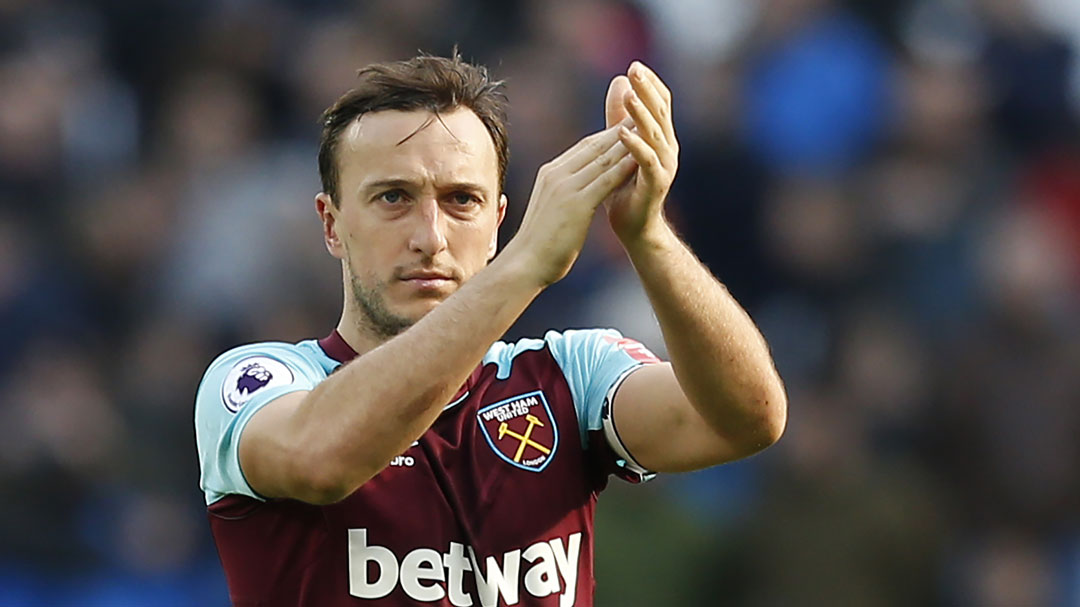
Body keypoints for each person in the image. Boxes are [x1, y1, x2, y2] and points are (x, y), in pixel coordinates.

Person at [194, 53, 786, 607]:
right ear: (331, 224)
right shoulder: (259, 382)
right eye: (393, 197)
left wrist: (649, 236)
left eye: (461, 200)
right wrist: (523, 266)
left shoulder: (568, 377)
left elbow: (746, 419)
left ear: (500, 219)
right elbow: (321, 460)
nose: (431, 236)